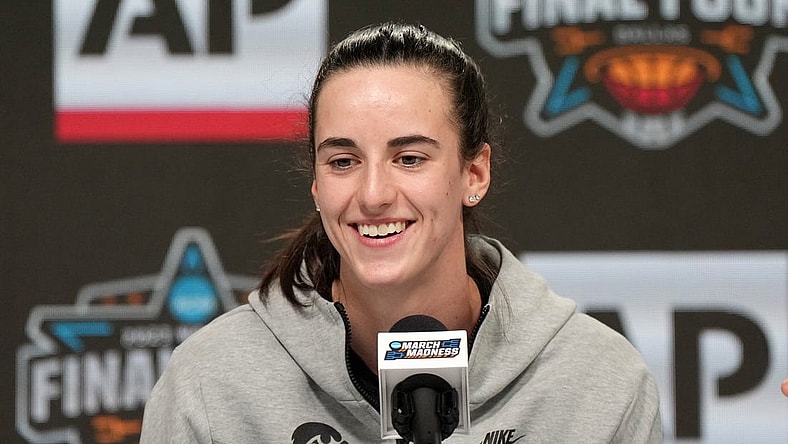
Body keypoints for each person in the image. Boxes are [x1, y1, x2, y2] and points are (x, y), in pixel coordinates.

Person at [140, 22, 662, 443]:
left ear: (473, 173)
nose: (372, 194)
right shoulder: (211, 384)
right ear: (317, 184)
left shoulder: (598, 380)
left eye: (409, 158)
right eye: (343, 161)